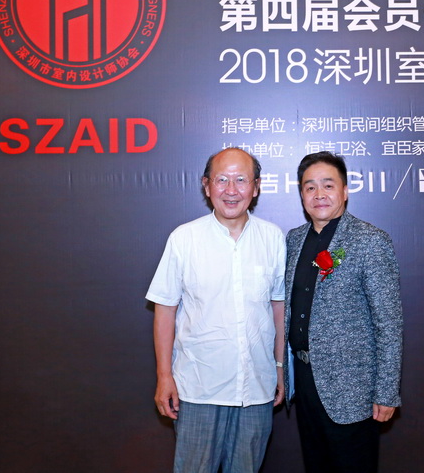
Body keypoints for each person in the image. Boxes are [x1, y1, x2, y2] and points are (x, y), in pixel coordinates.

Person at [146, 148, 286, 473]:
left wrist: (280, 368)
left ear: (256, 187)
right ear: (206, 185)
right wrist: (164, 376)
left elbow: (278, 309)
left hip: (256, 389)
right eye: (222, 180)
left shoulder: (273, 238)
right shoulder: (184, 239)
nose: (231, 190)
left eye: (241, 180)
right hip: (198, 389)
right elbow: (165, 311)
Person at [283, 151, 403, 473]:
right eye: (310, 187)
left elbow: (389, 324)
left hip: (353, 389)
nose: (319, 194)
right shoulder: (294, 240)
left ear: (345, 191)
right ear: (301, 194)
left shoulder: (370, 241)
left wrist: (386, 392)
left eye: (328, 185)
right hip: (304, 382)